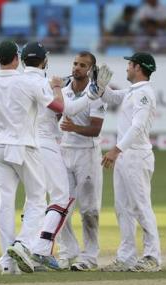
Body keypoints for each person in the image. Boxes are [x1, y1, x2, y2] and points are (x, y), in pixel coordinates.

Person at [0, 41, 65, 274]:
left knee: (4, 202)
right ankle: (23, 244)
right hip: (24, 146)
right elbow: (58, 107)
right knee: (37, 199)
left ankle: (8, 263)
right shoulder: (27, 82)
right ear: (16, 58)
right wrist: (57, 87)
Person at [92, 52, 162, 273]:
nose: (127, 68)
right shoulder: (133, 92)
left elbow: (138, 126)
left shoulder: (144, 94)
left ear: (138, 68)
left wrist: (116, 149)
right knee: (122, 208)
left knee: (141, 206)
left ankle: (152, 257)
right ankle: (127, 257)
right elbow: (111, 98)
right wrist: (100, 85)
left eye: (130, 64)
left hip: (136, 155)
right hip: (125, 156)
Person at [56, 52, 107, 271]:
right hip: (64, 152)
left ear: (90, 70)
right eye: (75, 63)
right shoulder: (64, 90)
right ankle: (68, 252)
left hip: (87, 154)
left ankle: (89, 256)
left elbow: (96, 129)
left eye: (82, 65)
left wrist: (74, 128)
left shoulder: (96, 93)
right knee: (61, 206)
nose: (77, 68)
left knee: (89, 209)